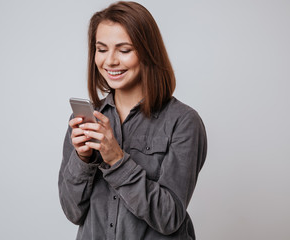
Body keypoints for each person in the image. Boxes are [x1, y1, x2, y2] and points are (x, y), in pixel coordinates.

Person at [58, 1, 207, 239]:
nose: (110, 61)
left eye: (124, 50)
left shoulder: (184, 122)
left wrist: (117, 160)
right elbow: (72, 211)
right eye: (102, 49)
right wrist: (83, 159)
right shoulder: (85, 119)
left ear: (148, 51)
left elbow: (169, 218)